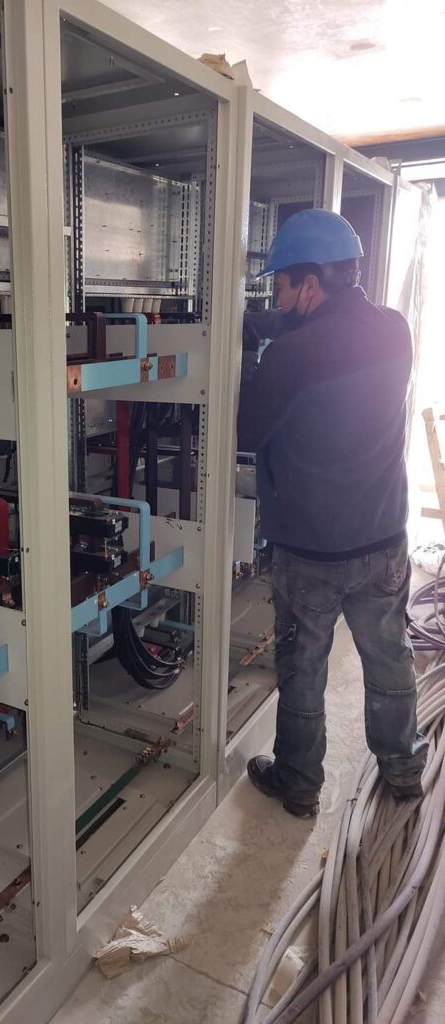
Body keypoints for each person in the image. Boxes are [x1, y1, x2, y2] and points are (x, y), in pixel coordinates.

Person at [238, 208, 428, 818]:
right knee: (389, 658)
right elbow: (324, 325)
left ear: (311, 284)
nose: (277, 296)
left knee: (303, 671)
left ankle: (298, 783)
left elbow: (245, 431)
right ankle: (403, 769)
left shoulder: (290, 357)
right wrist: (256, 322)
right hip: (384, 538)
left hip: (310, 552)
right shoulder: (395, 329)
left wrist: (246, 352)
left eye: (281, 285)